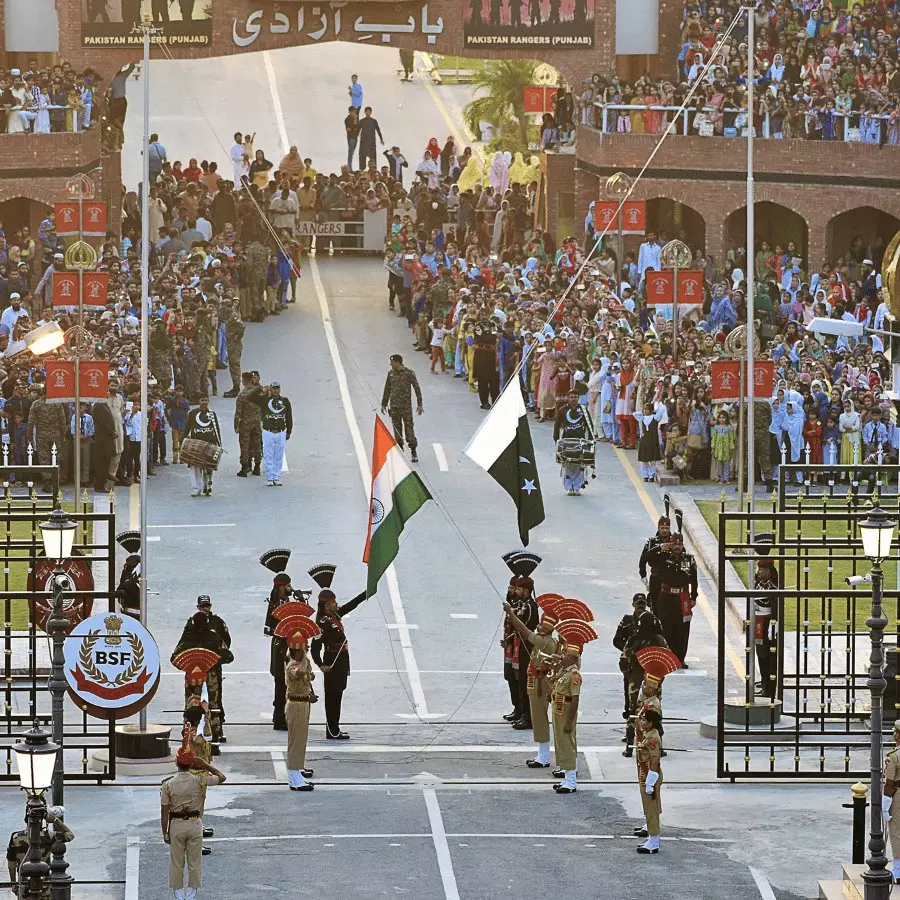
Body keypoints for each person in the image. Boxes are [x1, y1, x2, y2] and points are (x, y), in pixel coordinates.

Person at [308, 564, 367, 740]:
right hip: (332, 662)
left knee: (338, 694)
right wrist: (320, 665)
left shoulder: (333, 616)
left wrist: (366, 594)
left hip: (341, 661)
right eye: (333, 602)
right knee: (332, 697)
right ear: (327, 605)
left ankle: (335, 728)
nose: (337, 604)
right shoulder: (322, 623)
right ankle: (332, 730)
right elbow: (315, 646)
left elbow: (351, 605)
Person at [502, 598, 561, 769]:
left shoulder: (545, 642)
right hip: (538, 681)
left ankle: (544, 756)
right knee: (538, 718)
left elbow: (522, 629)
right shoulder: (548, 640)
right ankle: (543, 754)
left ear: (549, 628)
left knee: (540, 719)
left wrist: (511, 613)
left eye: (542, 624)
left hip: (541, 684)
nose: (539, 626)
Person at [160, 748, 226, 900]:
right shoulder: (201, 780)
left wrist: (165, 832)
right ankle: (192, 892)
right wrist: (206, 766)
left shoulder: (168, 784)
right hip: (195, 823)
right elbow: (222, 777)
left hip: (176, 824)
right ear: (191, 764)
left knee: (176, 861)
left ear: (176, 763)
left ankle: (178, 892)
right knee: (194, 860)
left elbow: (164, 811)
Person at [171, 596, 233, 745]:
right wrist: (214, 661)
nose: (206, 608)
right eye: (203, 606)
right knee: (212, 703)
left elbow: (175, 657)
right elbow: (228, 655)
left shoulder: (188, 636)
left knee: (191, 703)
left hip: (192, 677)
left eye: (207, 605)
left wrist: (188, 665)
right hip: (211, 675)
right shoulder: (213, 637)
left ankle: (188, 731)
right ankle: (215, 732)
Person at [276, 615, 320, 791]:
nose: (307, 649)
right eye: (305, 646)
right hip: (295, 705)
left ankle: (297, 772)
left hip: (303, 704)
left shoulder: (302, 661)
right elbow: (300, 673)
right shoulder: (293, 664)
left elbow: (309, 676)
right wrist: (303, 655)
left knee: (301, 740)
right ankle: (294, 778)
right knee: (295, 741)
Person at [7, 805, 75, 898]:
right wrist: (55, 820)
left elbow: (12, 863)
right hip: (44, 885)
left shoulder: (16, 837)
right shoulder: (49, 836)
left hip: (24, 885)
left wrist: (13, 883)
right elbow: (70, 835)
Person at [654, 533, 697, 667]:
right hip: (666, 597)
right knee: (667, 628)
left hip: (682, 598)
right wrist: (660, 547)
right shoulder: (663, 557)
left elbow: (694, 580)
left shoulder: (688, 560)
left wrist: (693, 597)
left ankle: (680, 658)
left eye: (680, 544)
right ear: (670, 544)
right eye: (675, 544)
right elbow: (648, 557)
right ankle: (669, 657)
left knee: (683, 630)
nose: (677, 547)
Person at [752, 532, 780, 699]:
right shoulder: (759, 582)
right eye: (759, 568)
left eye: (762, 569)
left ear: (769, 571)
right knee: (760, 655)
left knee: (769, 659)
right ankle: (763, 683)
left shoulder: (772, 586)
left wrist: (772, 627)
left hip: (768, 625)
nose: (759, 571)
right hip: (758, 623)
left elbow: (775, 608)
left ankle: (769, 688)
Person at [381, 354, 423, 462]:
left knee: (409, 431)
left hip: (406, 408)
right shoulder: (390, 374)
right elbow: (387, 389)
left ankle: (413, 451)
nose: (390, 364)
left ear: (398, 362)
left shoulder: (409, 373)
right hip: (394, 407)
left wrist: (420, 404)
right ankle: (400, 453)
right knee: (397, 432)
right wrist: (384, 404)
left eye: (392, 362)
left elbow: (417, 388)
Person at [249, 380, 292, 486]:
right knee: (268, 455)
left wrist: (289, 431)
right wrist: (261, 389)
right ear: (270, 389)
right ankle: (270, 477)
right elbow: (250, 397)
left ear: (280, 389)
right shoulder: (264, 400)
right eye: (273, 388)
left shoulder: (285, 401)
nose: (275, 390)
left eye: (277, 388)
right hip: (268, 431)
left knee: (278, 455)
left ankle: (277, 477)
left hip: (281, 431)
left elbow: (289, 417)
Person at [553, 389, 596, 495]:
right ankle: (569, 487)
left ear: (578, 398)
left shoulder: (584, 410)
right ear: (568, 398)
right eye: (571, 397)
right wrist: (557, 440)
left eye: (575, 397)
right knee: (567, 464)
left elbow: (589, 425)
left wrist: (590, 440)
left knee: (579, 465)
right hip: (566, 441)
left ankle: (576, 487)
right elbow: (557, 426)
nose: (573, 399)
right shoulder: (563, 410)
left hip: (580, 441)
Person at [635, 707, 663, 853]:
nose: (641, 721)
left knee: (651, 808)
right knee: (648, 807)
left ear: (651, 723)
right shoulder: (648, 734)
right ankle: (652, 837)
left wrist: (650, 781)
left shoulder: (653, 738)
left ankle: (654, 841)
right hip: (645, 773)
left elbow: (655, 760)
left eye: (644, 720)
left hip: (650, 774)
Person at [183, 395, 221, 497]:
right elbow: (187, 428)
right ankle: (196, 488)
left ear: (208, 401)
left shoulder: (212, 414)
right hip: (195, 444)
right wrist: (183, 441)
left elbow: (216, 429)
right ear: (199, 401)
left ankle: (207, 485)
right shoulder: (193, 413)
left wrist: (219, 445)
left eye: (205, 400)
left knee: (209, 466)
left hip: (209, 444)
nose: (204, 402)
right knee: (194, 467)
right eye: (202, 400)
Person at [883, 721, 900, 884]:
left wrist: (885, 802)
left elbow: (889, 782)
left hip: (897, 794)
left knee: (896, 832)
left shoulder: (893, 756)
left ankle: (899, 871)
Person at [357, 106, 384, 170]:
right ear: (365, 112)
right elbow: (357, 130)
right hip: (363, 142)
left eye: (369, 111)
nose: (368, 113)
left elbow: (378, 130)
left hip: (371, 143)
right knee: (362, 158)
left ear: (371, 112)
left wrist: (381, 139)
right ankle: (361, 172)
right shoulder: (362, 121)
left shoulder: (374, 121)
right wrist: (355, 138)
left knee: (373, 159)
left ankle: (374, 173)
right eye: (367, 111)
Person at [344, 106, 360, 170]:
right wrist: (354, 126)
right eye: (352, 111)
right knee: (350, 153)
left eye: (354, 111)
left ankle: (349, 166)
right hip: (351, 138)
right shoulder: (347, 119)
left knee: (352, 153)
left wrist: (355, 122)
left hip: (355, 138)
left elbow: (357, 127)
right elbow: (348, 129)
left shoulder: (356, 118)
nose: (353, 113)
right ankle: (349, 167)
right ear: (349, 112)